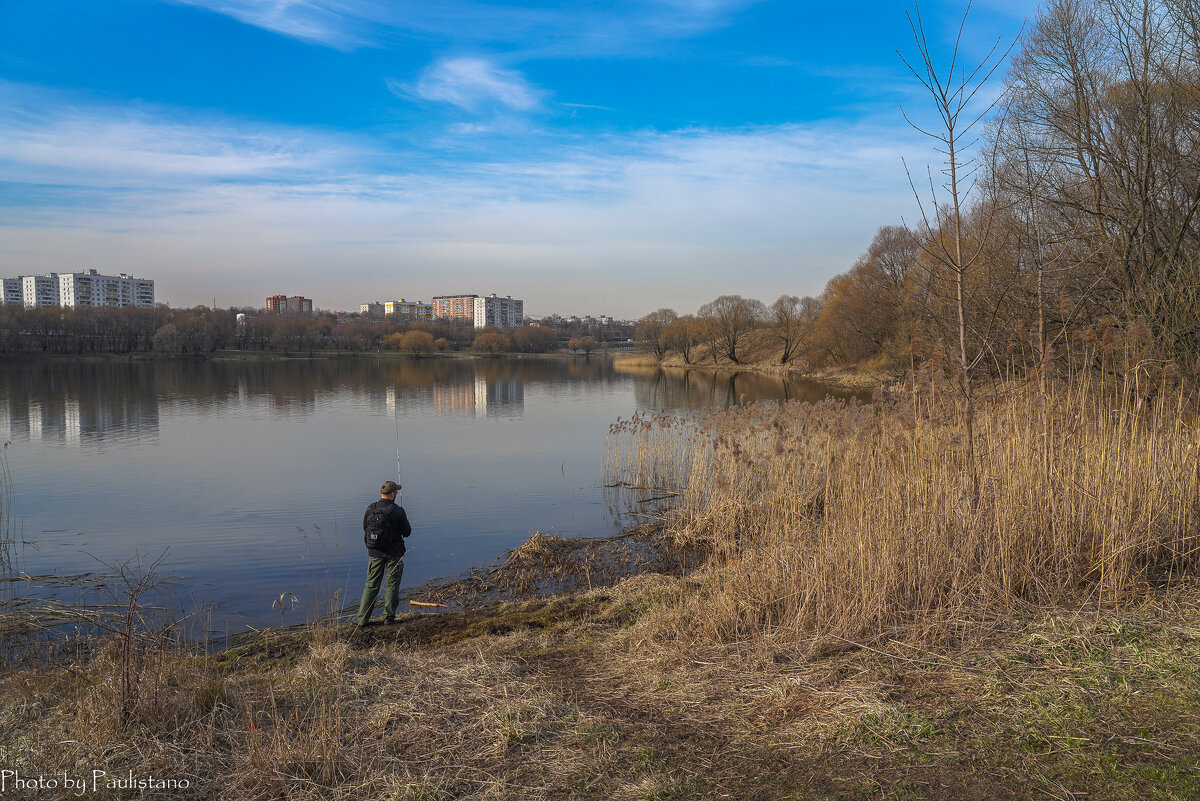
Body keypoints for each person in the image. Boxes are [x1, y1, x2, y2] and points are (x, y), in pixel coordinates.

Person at [356, 479, 412, 628]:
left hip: (375, 553)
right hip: (394, 553)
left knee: (371, 585)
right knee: (392, 585)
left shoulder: (370, 508)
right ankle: (388, 618)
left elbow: (365, 527)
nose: (397, 493)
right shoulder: (398, 510)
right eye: (396, 492)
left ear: (382, 493)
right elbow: (407, 532)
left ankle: (362, 619)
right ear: (393, 494)